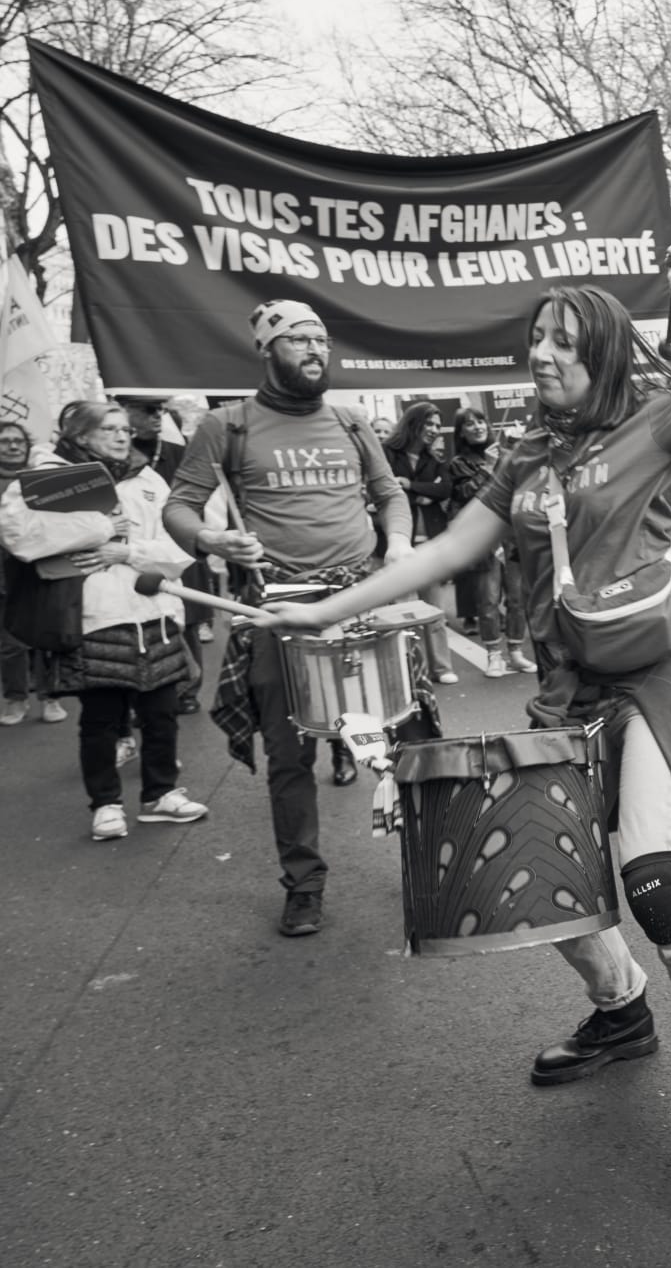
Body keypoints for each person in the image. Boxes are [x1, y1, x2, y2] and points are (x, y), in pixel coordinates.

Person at [266, 250, 671, 1086]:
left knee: (654, 880)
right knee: (537, 869)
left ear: (605, 355)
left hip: (659, 673)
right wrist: (328, 609)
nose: (542, 354)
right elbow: (450, 549)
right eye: (537, 339)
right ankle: (621, 1010)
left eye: (565, 343)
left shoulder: (661, 420)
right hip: (570, 684)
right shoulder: (527, 455)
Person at [165, 299, 414, 936]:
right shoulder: (226, 425)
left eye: (321, 339)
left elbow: (389, 494)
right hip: (280, 609)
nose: (315, 349)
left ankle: (425, 862)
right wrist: (212, 540)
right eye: (299, 338)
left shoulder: (352, 421)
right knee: (289, 752)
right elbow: (179, 508)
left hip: (361, 600)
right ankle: (304, 884)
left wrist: (398, 544)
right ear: (266, 349)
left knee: (399, 740)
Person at [0, 401, 208, 839]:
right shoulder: (46, 478)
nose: (121, 436)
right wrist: (101, 530)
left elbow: (177, 549)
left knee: (161, 714)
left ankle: (160, 795)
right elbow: (20, 537)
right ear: (80, 435)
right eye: (109, 429)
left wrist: (128, 551)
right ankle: (106, 805)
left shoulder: (147, 479)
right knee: (101, 719)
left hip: (154, 612)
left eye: (125, 430)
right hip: (94, 615)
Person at [446, 407, 532, 679]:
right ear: (461, 432)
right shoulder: (459, 463)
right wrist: (487, 467)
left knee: (518, 598)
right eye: (469, 424)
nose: (477, 427)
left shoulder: (505, 454)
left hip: (512, 536)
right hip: (483, 539)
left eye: (480, 421)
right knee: (488, 600)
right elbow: (465, 495)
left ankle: (516, 651)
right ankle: (494, 654)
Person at [382, 402, 460, 685]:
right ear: (413, 423)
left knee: (435, 611)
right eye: (430, 424)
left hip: (431, 544)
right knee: (404, 612)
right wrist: (424, 495)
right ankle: (413, 670)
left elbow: (445, 489)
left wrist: (410, 486)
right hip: (396, 544)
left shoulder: (435, 458)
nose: (435, 430)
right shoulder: (387, 454)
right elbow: (385, 492)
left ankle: (441, 667)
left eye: (438, 425)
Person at [0, 420, 66, 727]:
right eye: (5, 441)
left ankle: (51, 698)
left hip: (43, 569)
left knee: (47, 637)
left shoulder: (42, 477)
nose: (13, 446)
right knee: (10, 642)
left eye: (19, 441)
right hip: (4, 573)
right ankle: (16, 699)